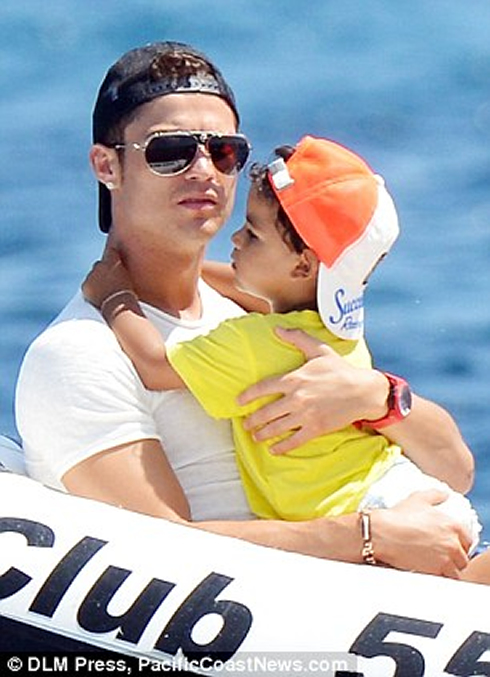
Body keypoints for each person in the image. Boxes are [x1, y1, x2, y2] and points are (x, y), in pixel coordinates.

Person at [14, 40, 480, 579]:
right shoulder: (77, 355)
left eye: (225, 151)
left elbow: (458, 469)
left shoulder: (259, 312)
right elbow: (155, 545)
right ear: (106, 165)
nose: (204, 170)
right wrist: (368, 537)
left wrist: (377, 396)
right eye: (170, 151)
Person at [81, 135, 481, 553]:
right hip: (409, 493)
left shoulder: (252, 344)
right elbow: (257, 292)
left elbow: (155, 364)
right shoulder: (336, 328)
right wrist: (187, 274)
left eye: (252, 235)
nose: (235, 239)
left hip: (378, 512)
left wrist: (115, 295)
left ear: (303, 265)